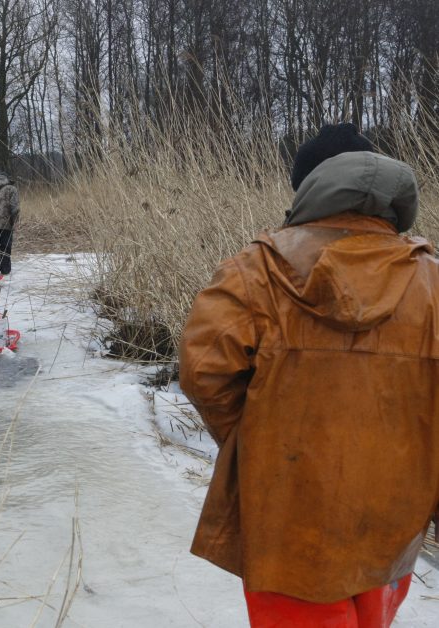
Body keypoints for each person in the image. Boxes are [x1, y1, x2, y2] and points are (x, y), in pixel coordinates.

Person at [179, 122, 438, 627]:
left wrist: (256, 439)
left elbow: (203, 371)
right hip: (393, 525)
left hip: (288, 526)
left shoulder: (256, 271)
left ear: (308, 188)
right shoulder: (432, 282)